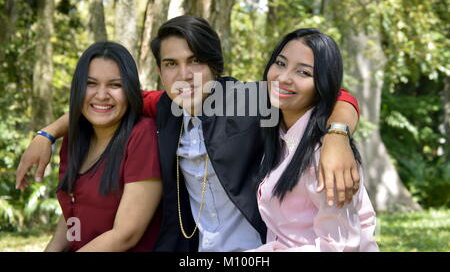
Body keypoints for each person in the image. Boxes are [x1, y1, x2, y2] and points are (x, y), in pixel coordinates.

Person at [17, 15, 360, 252]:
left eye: (195, 61)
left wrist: (337, 136)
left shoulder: (243, 100)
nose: (184, 75)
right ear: (161, 71)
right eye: (171, 64)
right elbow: (106, 102)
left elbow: (336, 94)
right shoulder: (165, 107)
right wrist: (46, 135)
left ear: (214, 65)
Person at [250, 29, 378, 251]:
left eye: (303, 73)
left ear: (322, 84)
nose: (283, 78)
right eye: (280, 63)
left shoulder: (323, 154)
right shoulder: (279, 136)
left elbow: (340, 246)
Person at [44, 42, 162, 252]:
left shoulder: (142, 135)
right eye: (91, 83)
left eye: (115, 85)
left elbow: (126, 234)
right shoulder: (75, 137)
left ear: (131, 90)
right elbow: (75, 209)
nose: (101, 95)